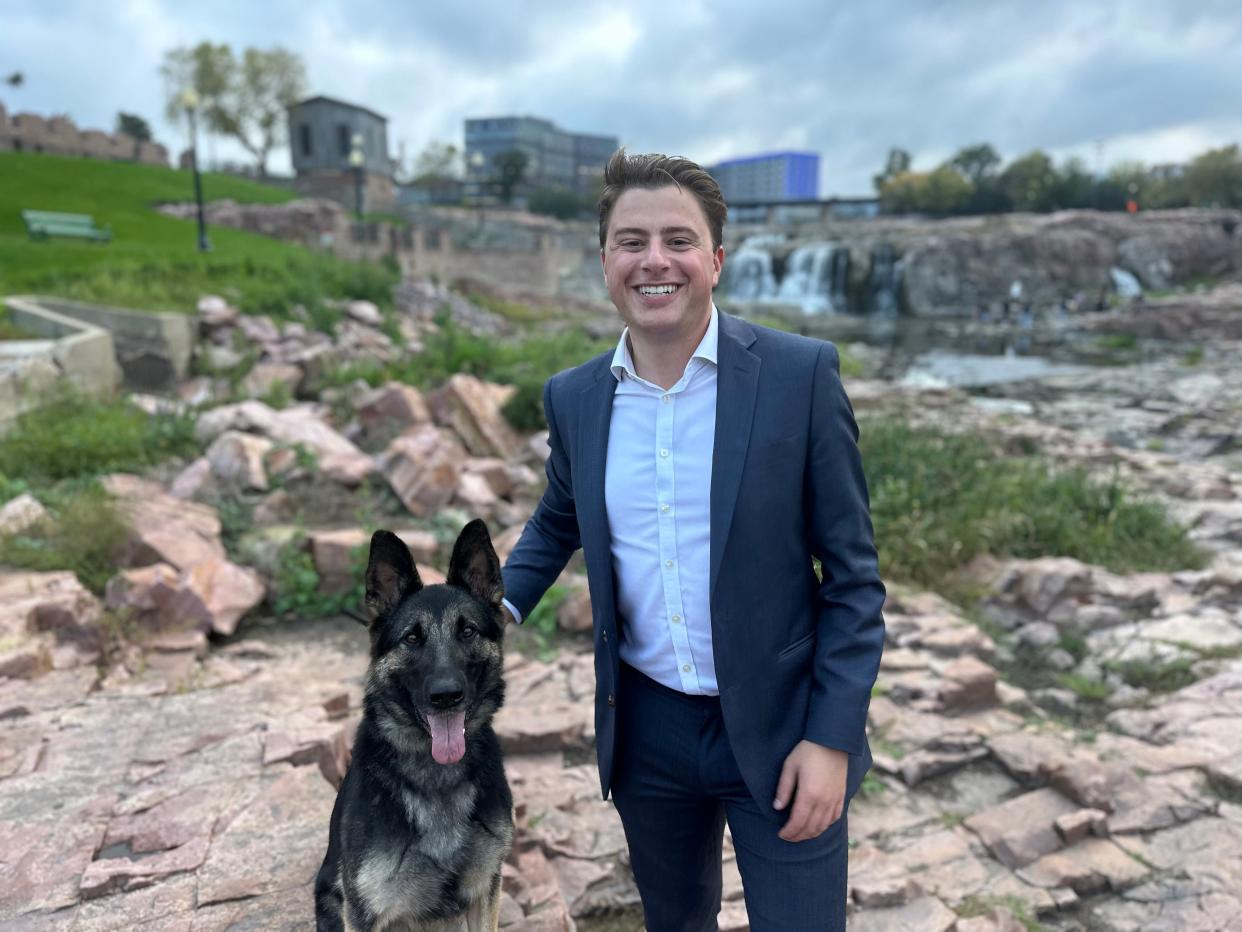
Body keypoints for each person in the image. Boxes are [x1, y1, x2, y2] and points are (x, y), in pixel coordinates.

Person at [499, 150, 885, 931]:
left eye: (678, 240)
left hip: (784, 728)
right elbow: (559, 517)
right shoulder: (574, 397)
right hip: (648, 732)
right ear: (605, 260)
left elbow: (853, 578)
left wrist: (832, 738)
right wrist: (487, 611)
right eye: (631, 241)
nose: (654, 261)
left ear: (714, 258)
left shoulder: (799, 376)